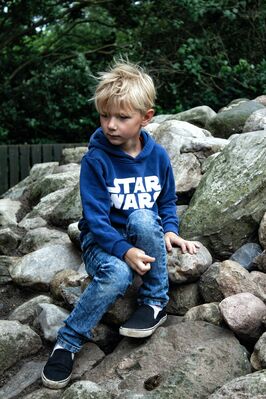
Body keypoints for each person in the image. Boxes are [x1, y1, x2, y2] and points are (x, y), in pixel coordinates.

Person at [42, 60, 199, 389]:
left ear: (147, 118)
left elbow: (166, 201)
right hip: (102, 241)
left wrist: (170, 230)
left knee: (144, 216)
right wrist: (125, 251)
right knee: (117, 274)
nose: (111, 125)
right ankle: (67, 343)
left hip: (141, 234)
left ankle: (154, 301)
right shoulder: (96, 160)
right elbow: (96, 222)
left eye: (122, 117)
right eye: (104, 116)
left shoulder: (157, 158)